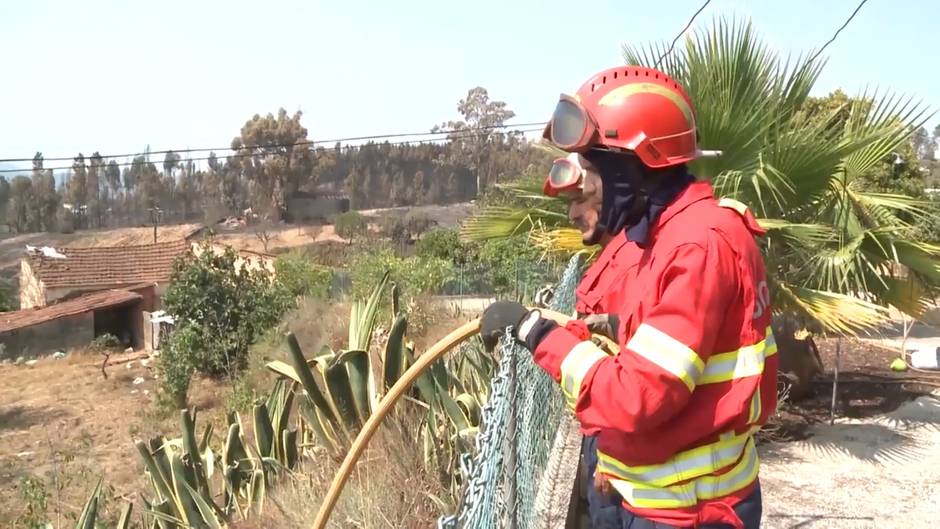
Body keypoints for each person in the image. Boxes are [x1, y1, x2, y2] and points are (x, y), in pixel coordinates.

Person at [479, 66, 778, 529]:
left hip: (688, 512)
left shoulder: (697, 244)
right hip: (660, 500)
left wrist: (537, 333)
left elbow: (636, 396)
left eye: (592, 169)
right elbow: (640, 348)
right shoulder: (668, 237)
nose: (585, 189)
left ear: (630, 165)